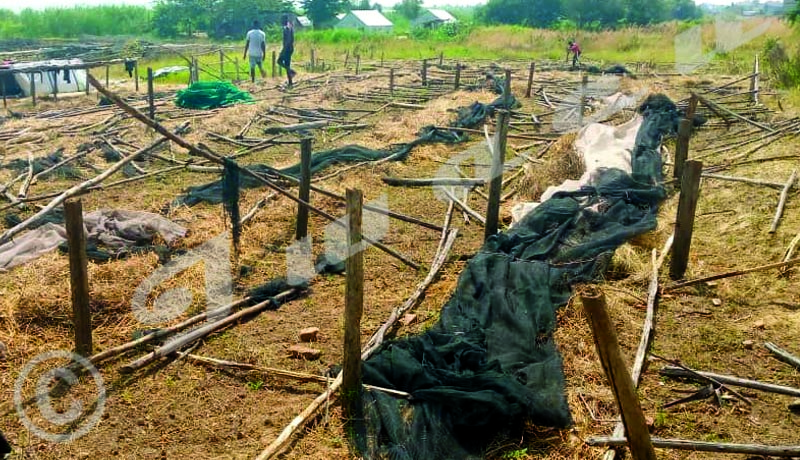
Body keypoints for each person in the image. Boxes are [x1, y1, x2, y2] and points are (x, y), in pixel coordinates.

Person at [277, 14, 296, 88]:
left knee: (279, 61)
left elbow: (288, 40)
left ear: (284, 20)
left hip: (287, 48)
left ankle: (292, 72)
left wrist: (284, 50)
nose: (281, 21)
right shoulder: (290, 26)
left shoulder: (286, 28)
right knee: (287, 64)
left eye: (282, 20)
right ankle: (290, 82)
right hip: (290, 47)